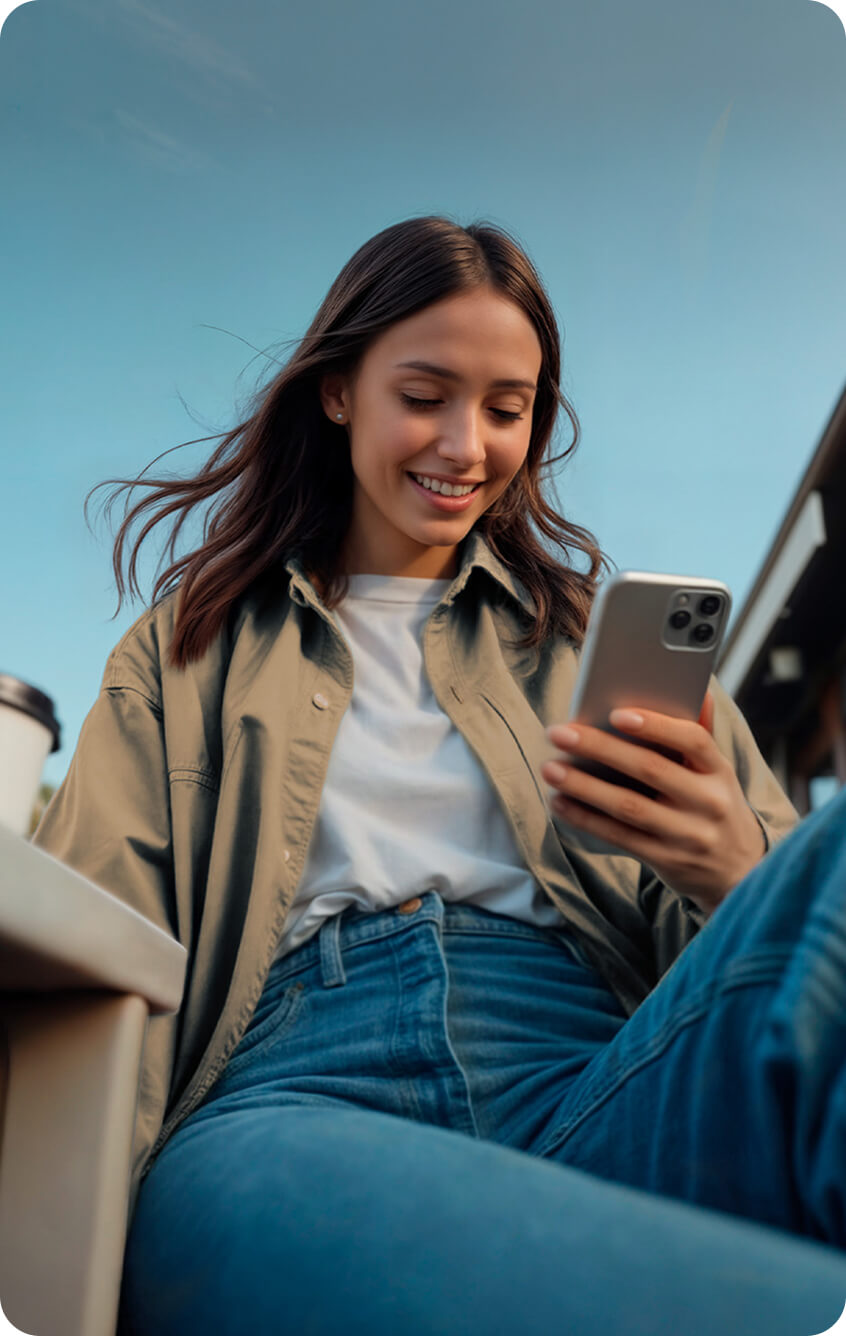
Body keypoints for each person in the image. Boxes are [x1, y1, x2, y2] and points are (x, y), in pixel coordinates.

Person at [31, 215, 846, 1335]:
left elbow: (778, 973)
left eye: (507, 410)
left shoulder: (583, 650)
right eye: (425, 395)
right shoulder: (187, 650)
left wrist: (729, 866)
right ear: (337, 391)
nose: (466, 444)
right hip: (292, 1092)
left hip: (595, 1081)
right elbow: (95, 955)